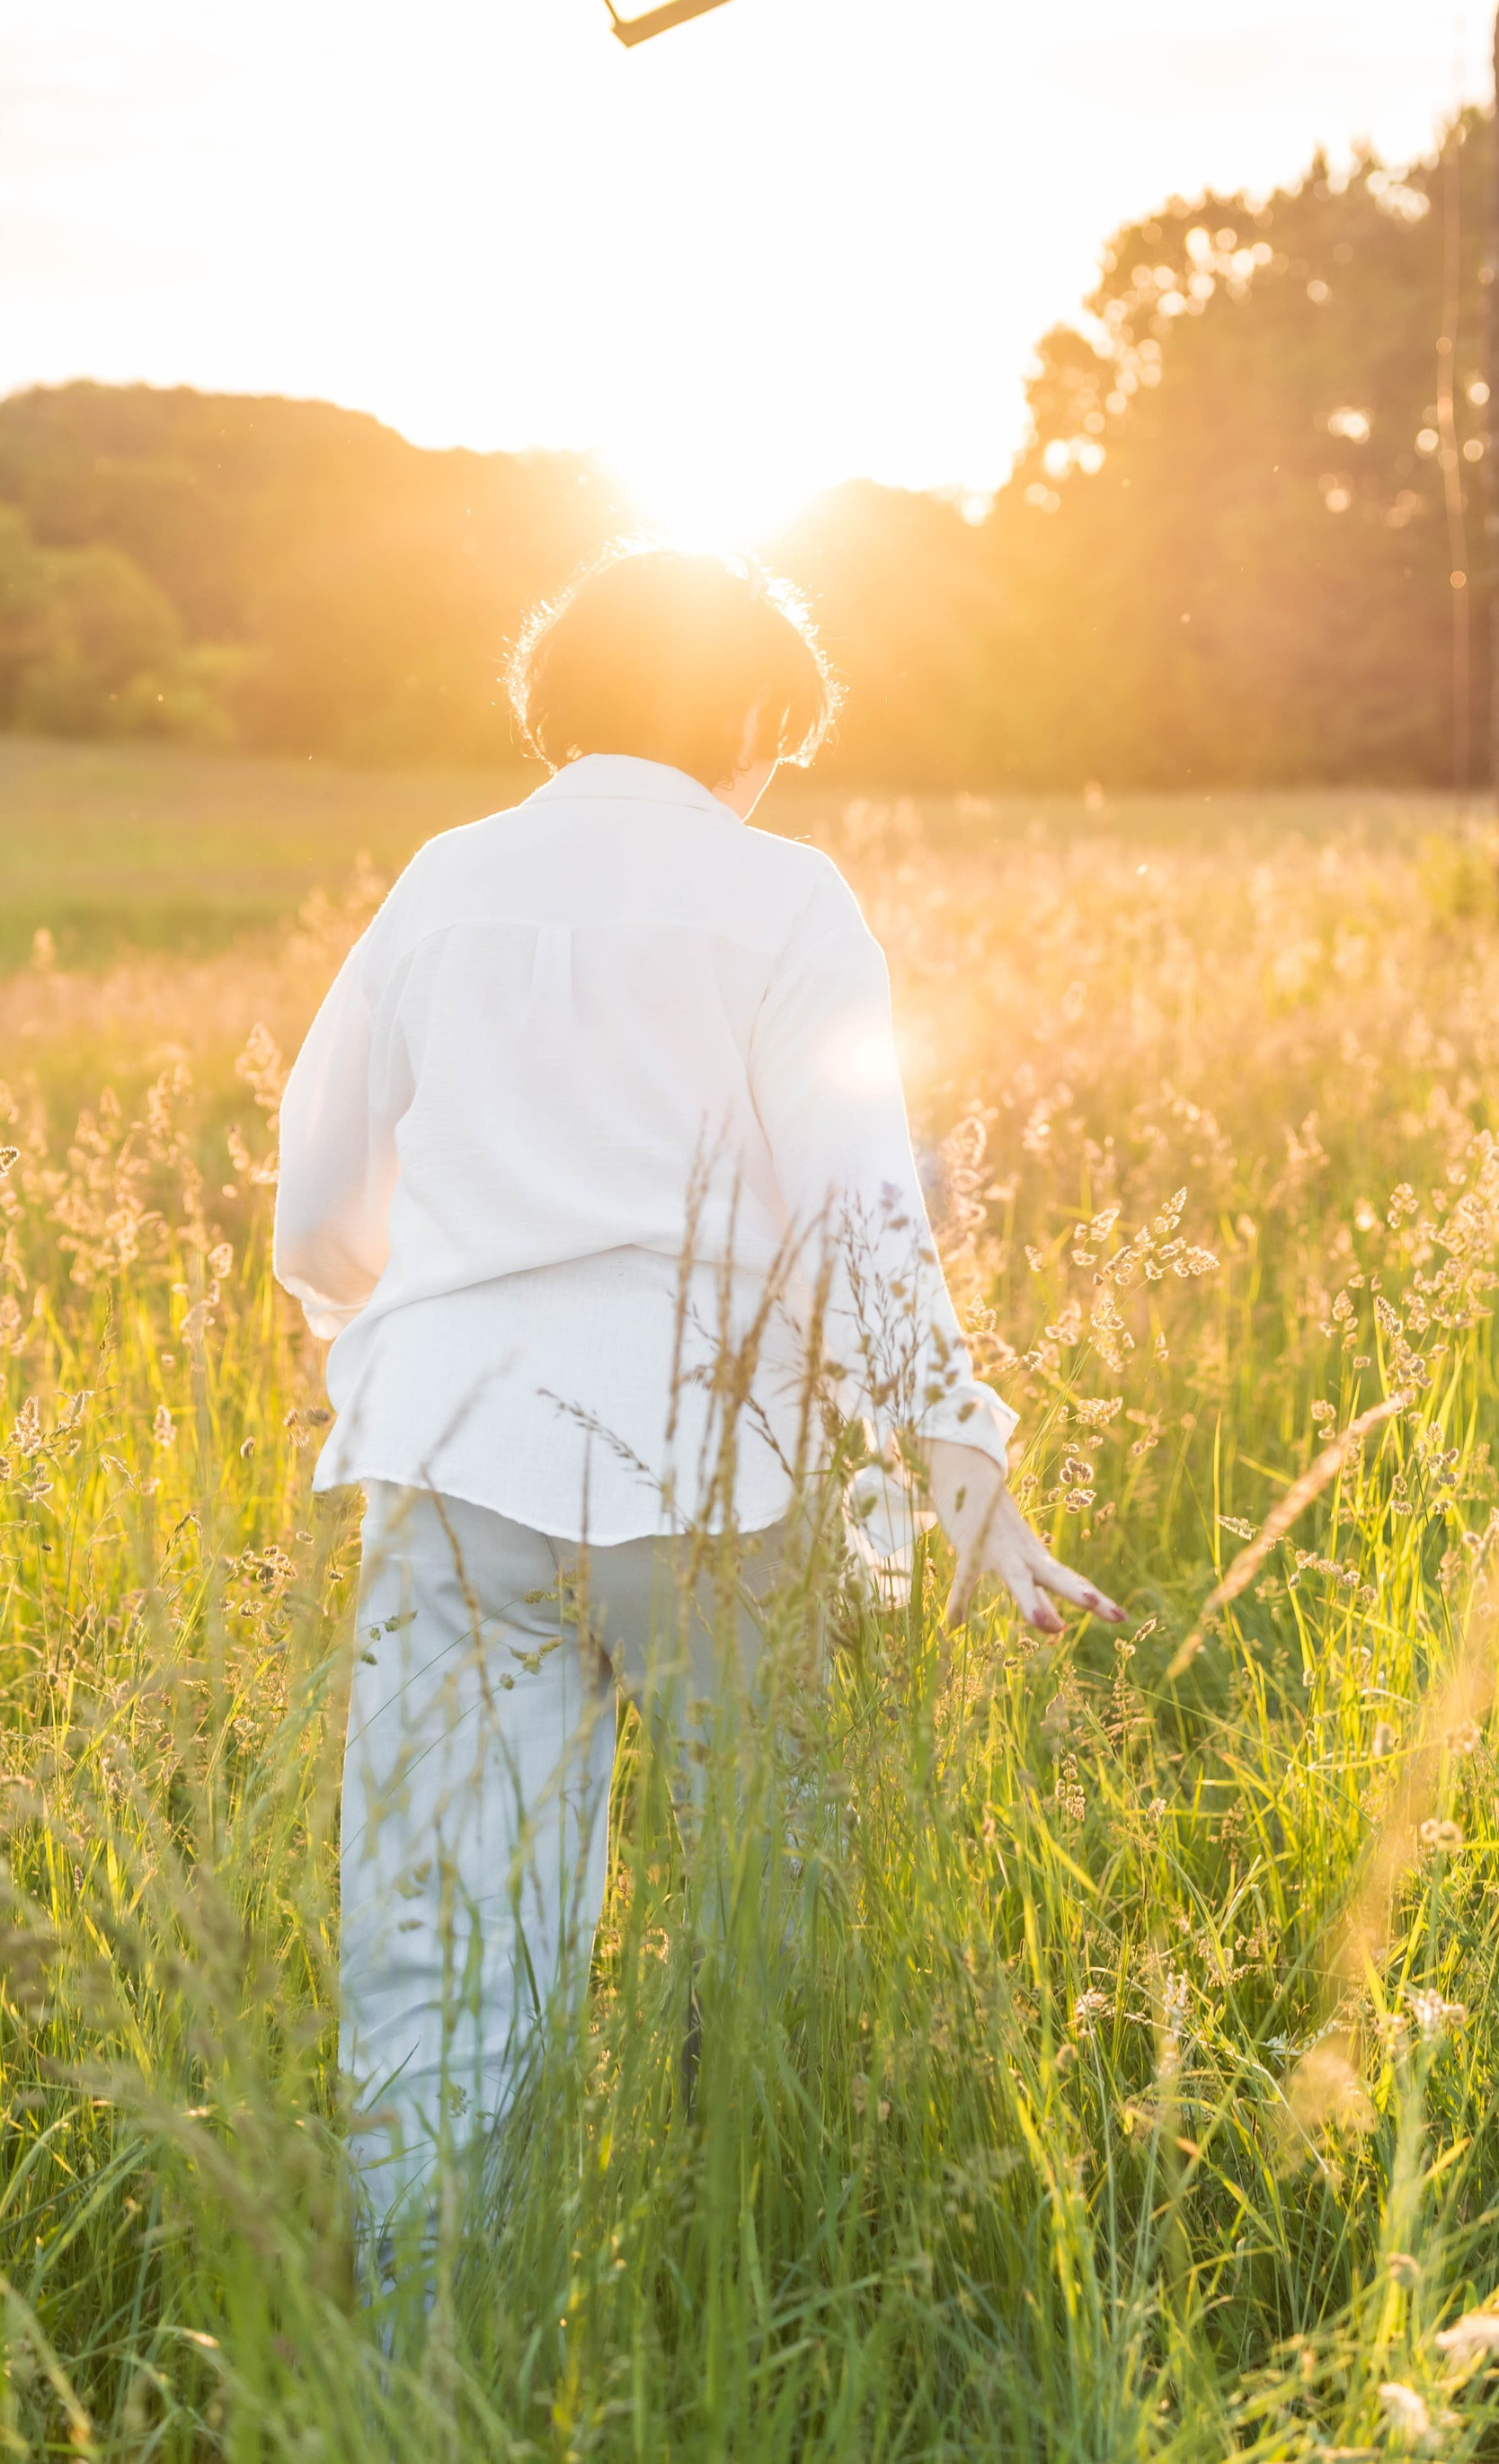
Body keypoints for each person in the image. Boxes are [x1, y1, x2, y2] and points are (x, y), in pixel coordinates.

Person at [271, 543, 1118, 2265]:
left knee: (441, 1947)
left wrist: (404, 1332)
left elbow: (319, 1208)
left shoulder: (441, 881)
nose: (763, 783)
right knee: (769, 1918)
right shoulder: (783, 899)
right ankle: (749, 2271)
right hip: (720, 1479)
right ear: (743, 711)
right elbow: (863, 1209)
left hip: (454, 1463)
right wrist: (969, 1484)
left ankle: (425, 2363)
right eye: (771, 747)